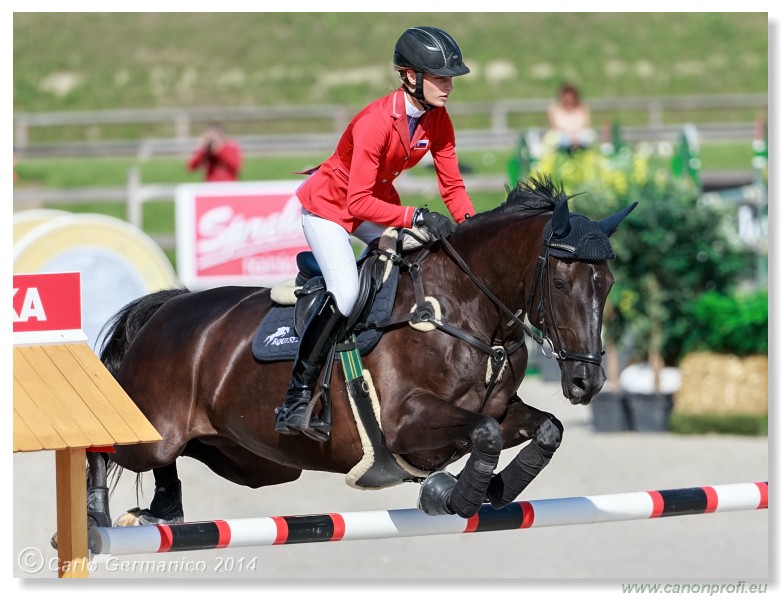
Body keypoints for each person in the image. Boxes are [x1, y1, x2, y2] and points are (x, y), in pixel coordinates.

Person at [274, 26, 476, 437]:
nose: (448, 86)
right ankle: (295, 398)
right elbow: (356, 203)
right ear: (409, 76)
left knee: (421, 258)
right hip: (330, 209)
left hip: (371, 203)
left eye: (450, 77)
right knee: (346, 293)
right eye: (440, 77)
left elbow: (452, 186)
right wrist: (415, 217)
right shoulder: (375, 123)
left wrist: (473, 233)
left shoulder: (438, 120)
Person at [546, 83, 597, 154]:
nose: (568, 97)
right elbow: (555, 125)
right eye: (566, 94)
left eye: (570, 94)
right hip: (562, 134)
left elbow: (586, 124)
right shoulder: (555, 108)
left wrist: (576, 135)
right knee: (554, 138)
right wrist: (570, 135)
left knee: (590, 136)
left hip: (580, 134)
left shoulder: (582, 107)